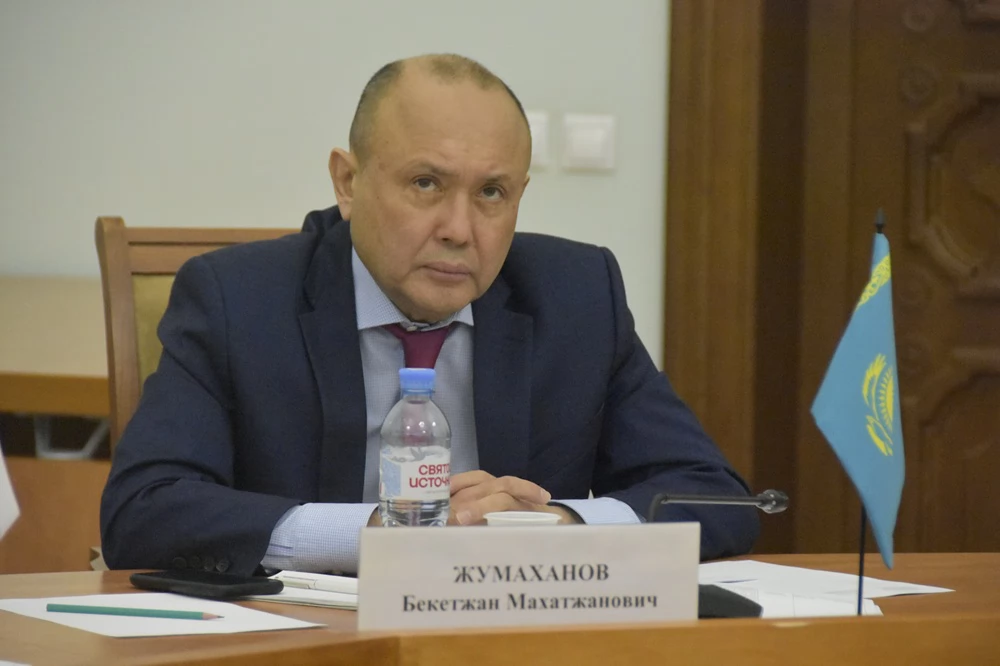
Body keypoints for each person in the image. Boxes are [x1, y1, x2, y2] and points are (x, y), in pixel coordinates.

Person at [100, 54, 759, 577]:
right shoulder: (237, 300)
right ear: (348, 182)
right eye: (426, 184)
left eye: (492, 192)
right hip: (303, 638)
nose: (459, 229)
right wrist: (378, 533)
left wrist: (552, 526)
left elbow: (715, 497)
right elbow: (144, 510)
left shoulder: (577, 297)